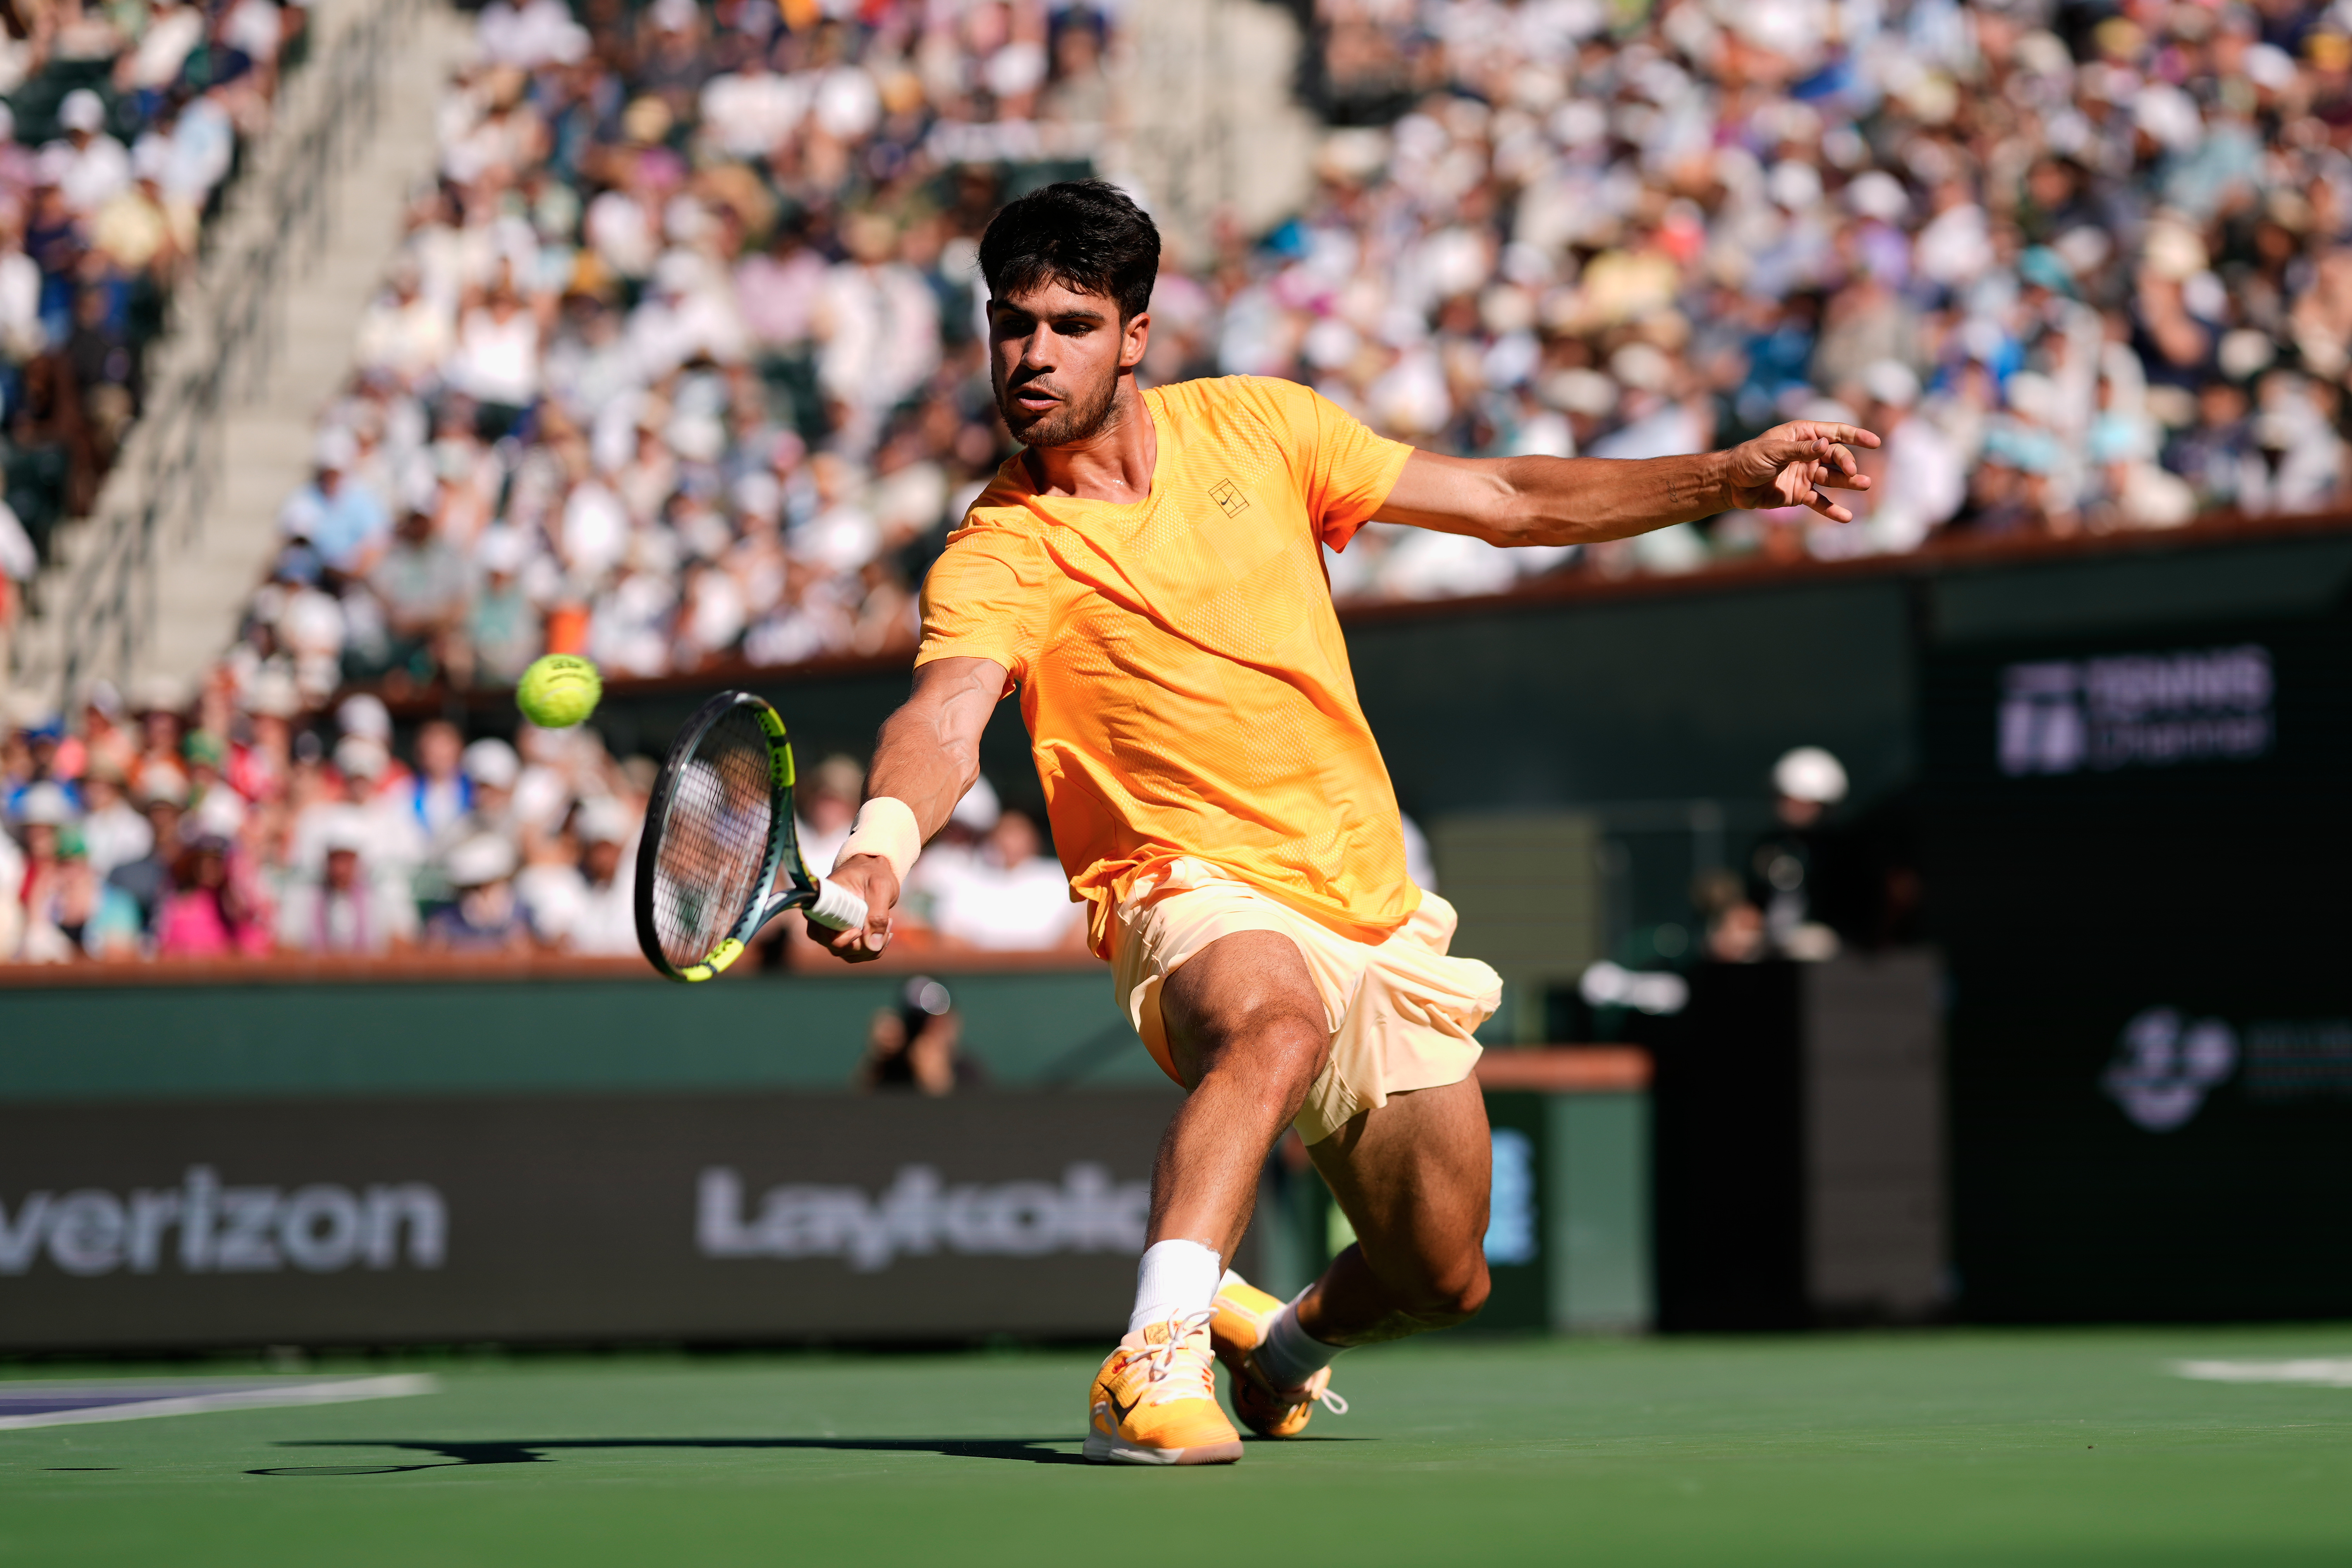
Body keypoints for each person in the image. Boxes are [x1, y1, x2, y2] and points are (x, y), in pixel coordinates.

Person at [813, 182, 1879, 1465]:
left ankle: (1276, 1353)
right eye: (1010, 324)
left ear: (1135, 336)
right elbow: (942, 718)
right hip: (1187, 884)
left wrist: (1729, 474)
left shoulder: (1264, 425)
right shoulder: (997, 550)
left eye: (1069, 324)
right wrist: (881, 842)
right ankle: (1148, 1355)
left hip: (1367, 897)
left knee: (1442, 1274)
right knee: (1274, 1019)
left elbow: (1506, 502)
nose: (1031, 355)